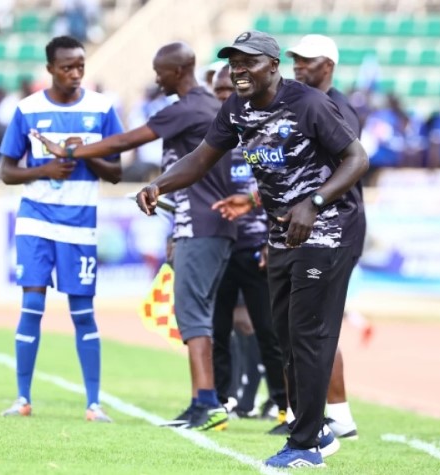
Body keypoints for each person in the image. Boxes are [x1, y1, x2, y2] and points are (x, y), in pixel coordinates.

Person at [135, 31, 369, 468]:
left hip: (326, 230)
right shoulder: (236, 108)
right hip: (281, 232)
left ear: (273, 66)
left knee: (308, 335)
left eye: (249, 62)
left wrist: (314, 203)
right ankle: (315, 428)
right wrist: (158, 183)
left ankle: (305, 446)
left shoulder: (309, 103)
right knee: (283, 336)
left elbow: (357, 159)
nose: (239, 69)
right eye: (234, 62)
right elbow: (203, 157)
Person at [31, 42, 236, 431]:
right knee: (194, 312)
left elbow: (128, 141)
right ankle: (201, 403)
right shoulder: (207, 107)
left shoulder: (190, 107)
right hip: (201, 224)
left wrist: (72, 152)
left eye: (160, 71)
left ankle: (207, 404)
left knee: (192, 314)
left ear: (177, 71)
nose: (156, 77)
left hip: (202, 224)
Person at [0, 35, 123, 422]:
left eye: (80, 66)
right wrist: (45, 169)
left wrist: (81, 152)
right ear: (50, 68)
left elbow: (117, 172)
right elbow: (6, 172)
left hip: (80, 225)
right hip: (35, 220)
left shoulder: (102, 109)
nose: (75, 74)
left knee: (83, 312)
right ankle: (22, 398)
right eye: (67, 67)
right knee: (32, 305)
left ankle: (93, 403)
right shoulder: (28, 109)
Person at [283, 33, 364, 441]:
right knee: (307, 326)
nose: (298, 66)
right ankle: (324, 414)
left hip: (336, 227)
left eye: (307, 60)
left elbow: (351, 164)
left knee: (316, 326)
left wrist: (312, 202)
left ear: (328, 65)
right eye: (295, 59)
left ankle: (338, 417)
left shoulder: (337, 108)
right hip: (313, 227)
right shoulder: (306, 104)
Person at [208, 65, 288, 426]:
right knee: (218, 331)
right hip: (220, 247)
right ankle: (220, 403)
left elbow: (278, 191)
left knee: (268, 332)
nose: (224, 95)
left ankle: (284, 405)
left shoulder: (261, 135)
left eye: (229, 88)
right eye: (218, 91)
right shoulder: (211, 141)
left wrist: (273, 239)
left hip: (256, 247)